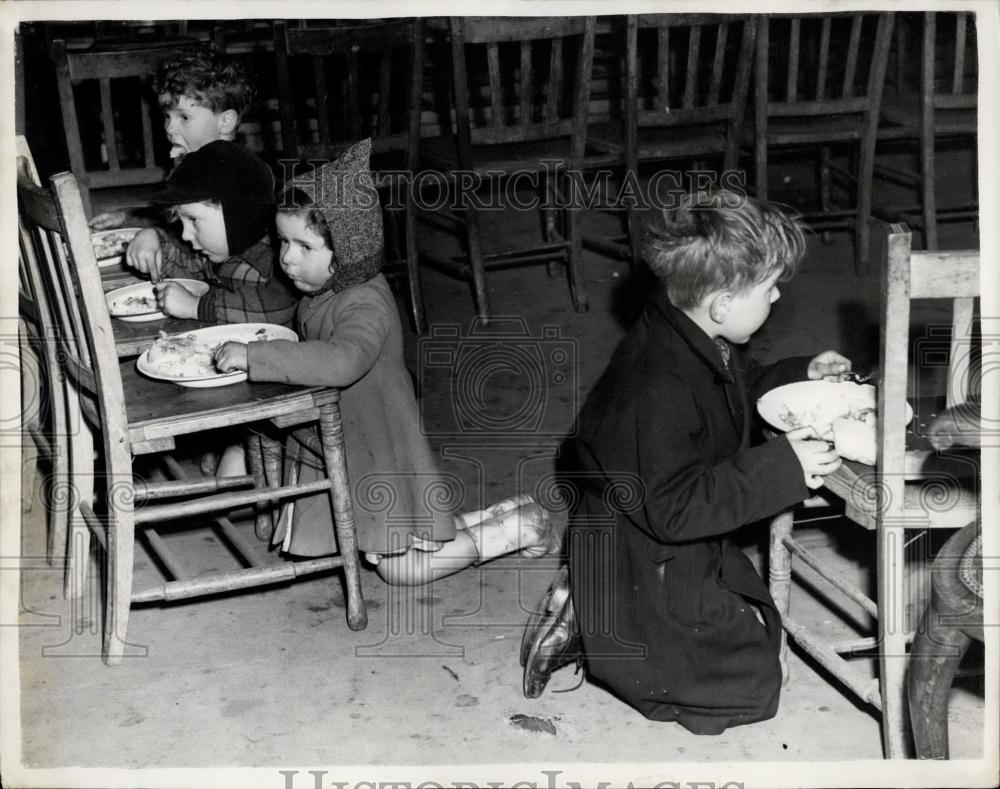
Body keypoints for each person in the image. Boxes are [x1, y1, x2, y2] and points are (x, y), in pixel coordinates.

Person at [521, 189, 851, 735]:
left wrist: (800, 373)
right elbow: (674, 510)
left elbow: (732, 392)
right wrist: (783, 467)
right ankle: (588, 612)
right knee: (750, 688)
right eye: (769, 290)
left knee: (751, 652)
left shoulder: (689, 330)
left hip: (658, 528)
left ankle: (600, 607)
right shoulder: (656, 383)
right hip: (641, 542)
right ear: (722, 303)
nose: (775, 299)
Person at [214, 139, 558, 585]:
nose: (286, 257)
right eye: (283, 241)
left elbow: (341, 362)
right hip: (355, 440)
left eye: (304, 245)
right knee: (407, 539)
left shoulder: (365, 302)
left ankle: (515, 530)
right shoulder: (325, 291)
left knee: (399, 567)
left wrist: (257, 355)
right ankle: (501, 516)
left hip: (378, 447)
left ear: (350, 250)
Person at [89, 51, 256, 230]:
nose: (169, 128)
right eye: (167, 117)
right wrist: (126, 217)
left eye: (184, 117)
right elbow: (173, 217)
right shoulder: (195, 162)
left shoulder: (234, 175)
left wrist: (158, 236)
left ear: (225, 122)